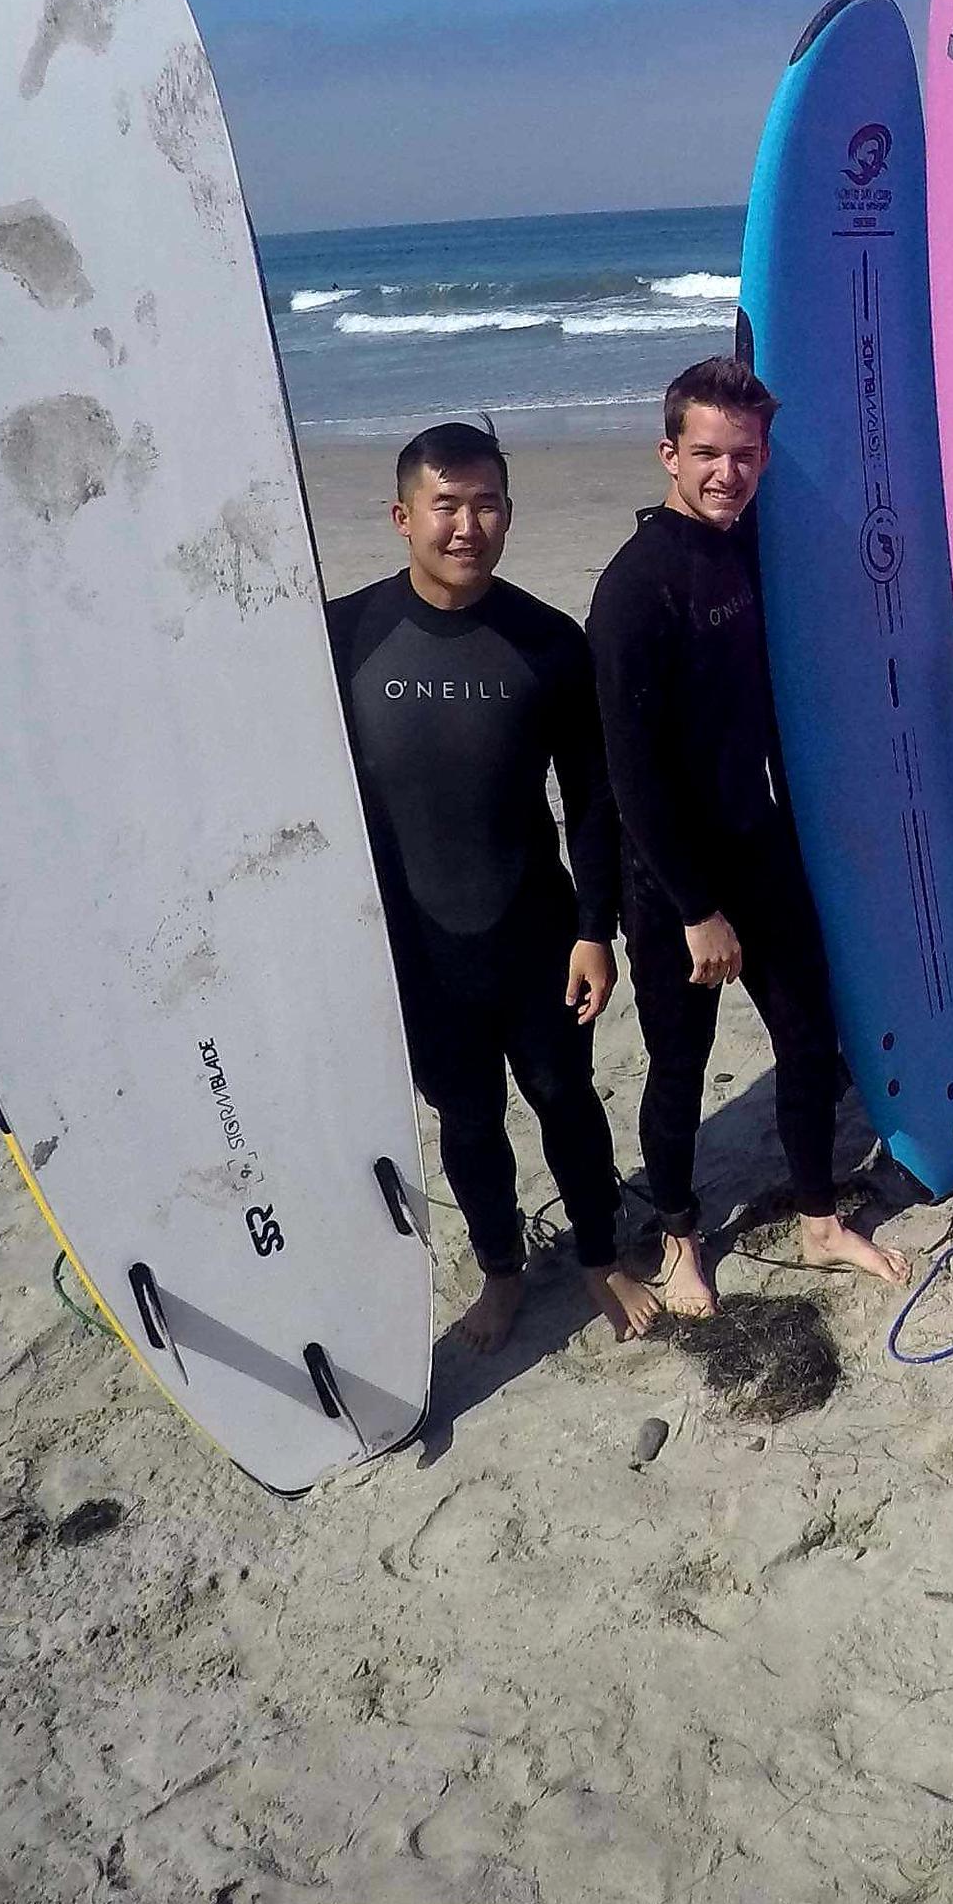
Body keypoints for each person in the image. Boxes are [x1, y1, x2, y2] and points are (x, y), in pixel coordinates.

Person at [328, 421, 661, 1351]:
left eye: (486, 505)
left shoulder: (547, 642)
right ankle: (502, 1273)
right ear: (403, 516)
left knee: (566, 1099)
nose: (466, 525)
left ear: (508, 514)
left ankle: (597, 1254)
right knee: (467, 1121)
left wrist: (597, 929)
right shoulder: (343, 635)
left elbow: (593, 800)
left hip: (533, 932)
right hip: (418, 947)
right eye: (446, 505)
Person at [586, 356, 904, 1317]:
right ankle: (683, 1238)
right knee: (679, 1067)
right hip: (676, 878)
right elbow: (630, 778)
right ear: (669, 453)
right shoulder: (635, 591)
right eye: (710, 454)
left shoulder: (745, 543)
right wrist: (695, 910)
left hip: (760, 846)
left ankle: (817, 1217)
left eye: (747, 453)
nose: (730, 473)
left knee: (811, 1040)